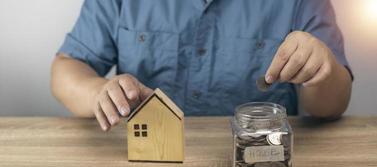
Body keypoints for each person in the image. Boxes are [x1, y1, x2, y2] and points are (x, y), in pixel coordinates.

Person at [51, 0, 353, 131]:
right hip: (144, 165)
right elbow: (66, 69)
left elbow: (331, 105)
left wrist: (320, 70)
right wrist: (100, 93)